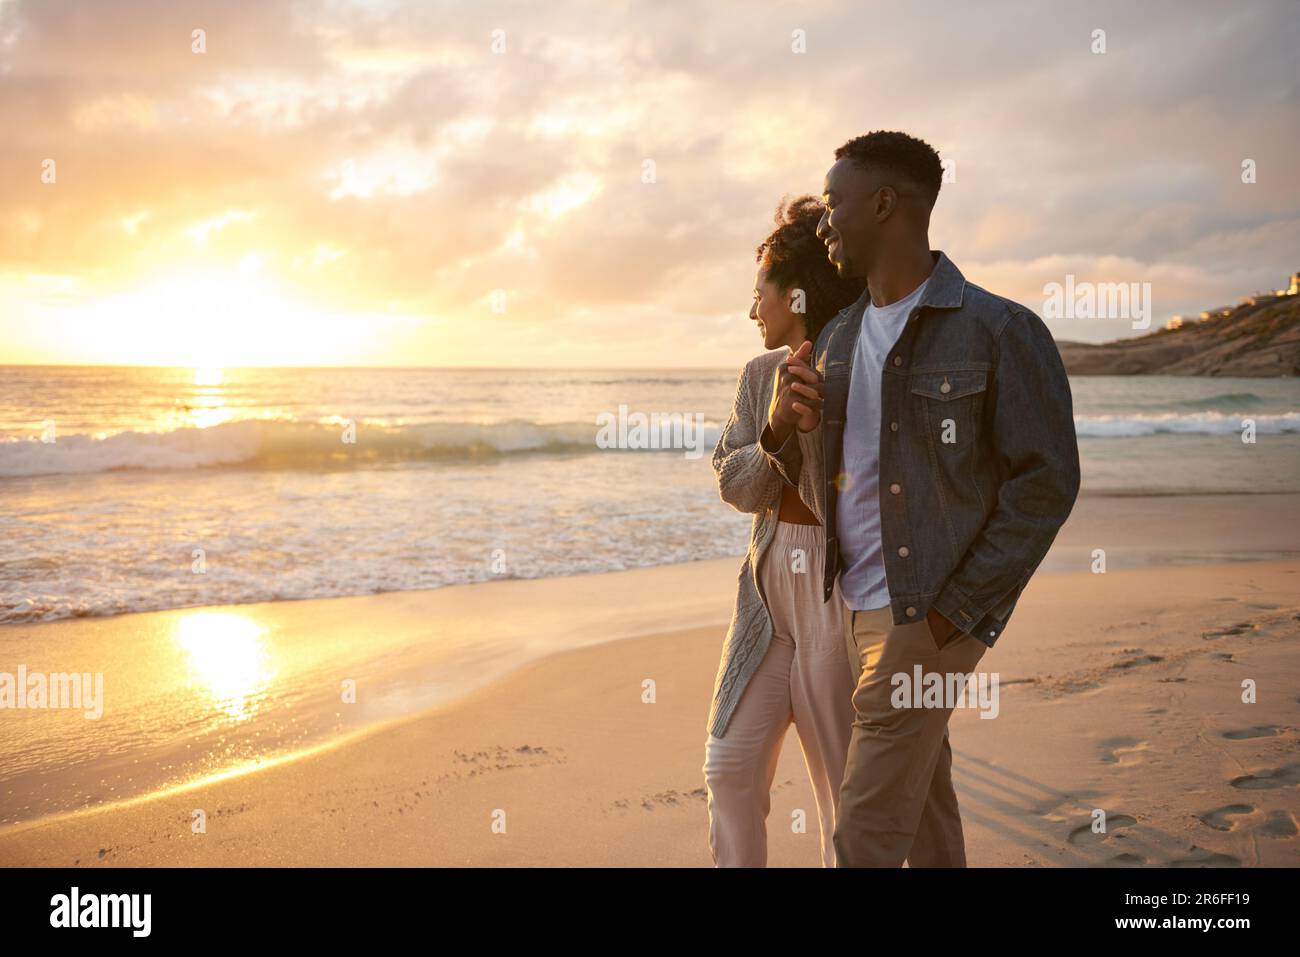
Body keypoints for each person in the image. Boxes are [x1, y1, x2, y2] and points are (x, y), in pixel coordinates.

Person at [761, 131, 1081, 867]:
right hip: (856, 607)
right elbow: (824, 488)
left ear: (884, 204)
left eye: (834, 204)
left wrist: (954, 612)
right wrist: (786, 425)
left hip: (929, 614)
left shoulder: (999, 330)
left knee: (863, 832)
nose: (823, 224)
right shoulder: (837, 340)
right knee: (924, 803)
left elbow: (1047, 480)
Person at [704, 196, 865, 867]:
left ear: (794, 293)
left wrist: (812, 428)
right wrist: (773, 432)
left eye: (757, 293)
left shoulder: (858, 371)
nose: (751, 310)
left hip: (836, 595)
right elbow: (734, 487)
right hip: (766, 601)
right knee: (729, 766)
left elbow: (851, 506)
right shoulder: (757, 377)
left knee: (843, 802)